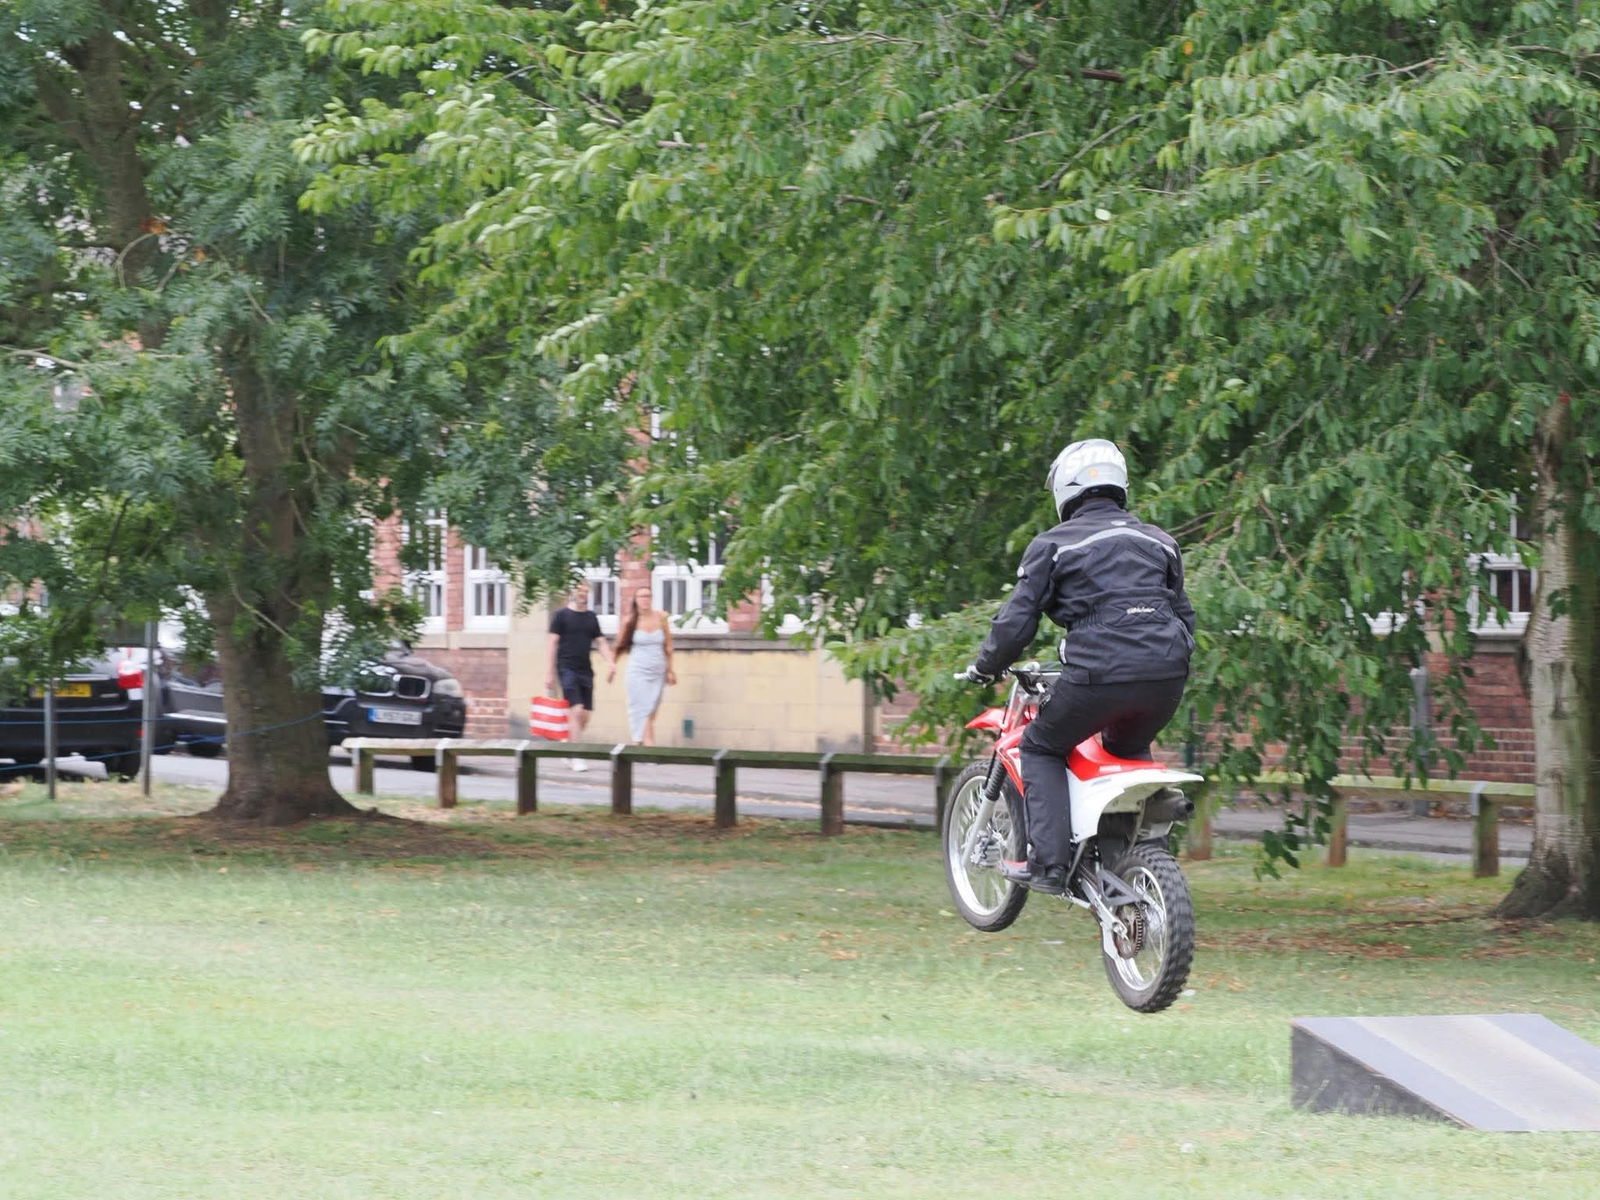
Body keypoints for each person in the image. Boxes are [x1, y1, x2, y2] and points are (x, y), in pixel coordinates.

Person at [963, 438, 1195, 896]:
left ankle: (1048, 864)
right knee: (1124, 749)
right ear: (1120, 484)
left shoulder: (1052, 545)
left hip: (1098, 677)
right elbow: (1184, 617)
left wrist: (985, 666)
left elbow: (1016, 623)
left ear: (1065, 490)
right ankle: (1132, 839)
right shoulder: (1160, 542)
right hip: (1167, 677)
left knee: (1042, 745)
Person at [546, 585, 616, 771]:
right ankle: (577, 756)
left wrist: (611, 662)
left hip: (585, 670)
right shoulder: (561, 616)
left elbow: (600, 641)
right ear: (572, 593)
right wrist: (549, 672)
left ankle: (568, 744)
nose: (582, 594)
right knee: (576, 710)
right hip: (566, 668)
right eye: (579, 590)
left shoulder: (591, 617)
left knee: (585, 715)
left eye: (585, 591)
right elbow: (552, 643)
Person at [608, 585, 676, 745]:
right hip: (638, 670)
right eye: (641, 596)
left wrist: (670, 670)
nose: (645, 600)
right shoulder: (630, 621)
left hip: (658, 669)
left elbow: (668, 646)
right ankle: (649, 744)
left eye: (648, 596)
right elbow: (619, 646)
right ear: (636, 600)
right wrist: (612, 667)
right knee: (642, 706)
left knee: (652, 707)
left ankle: (639, 742)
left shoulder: (661, 617)